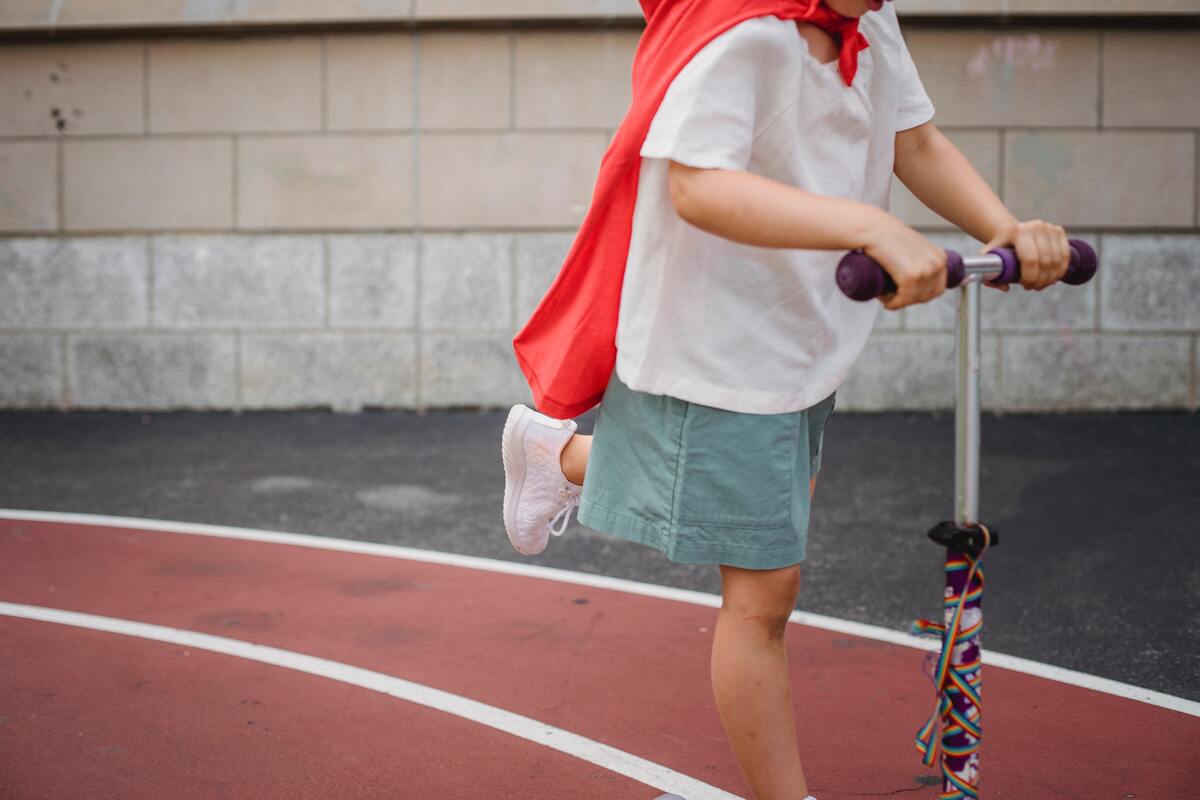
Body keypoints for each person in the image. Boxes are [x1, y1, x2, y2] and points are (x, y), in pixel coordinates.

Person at [501, 1, 1071, 798]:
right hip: (717, 347)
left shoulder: (870, 22)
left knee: (749, 526)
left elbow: (915, 139)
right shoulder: (747, 34)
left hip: (800, 336)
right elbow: (697, 186)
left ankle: (558, 455)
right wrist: (868, 226)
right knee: (763, 596)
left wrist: (1006, 229)